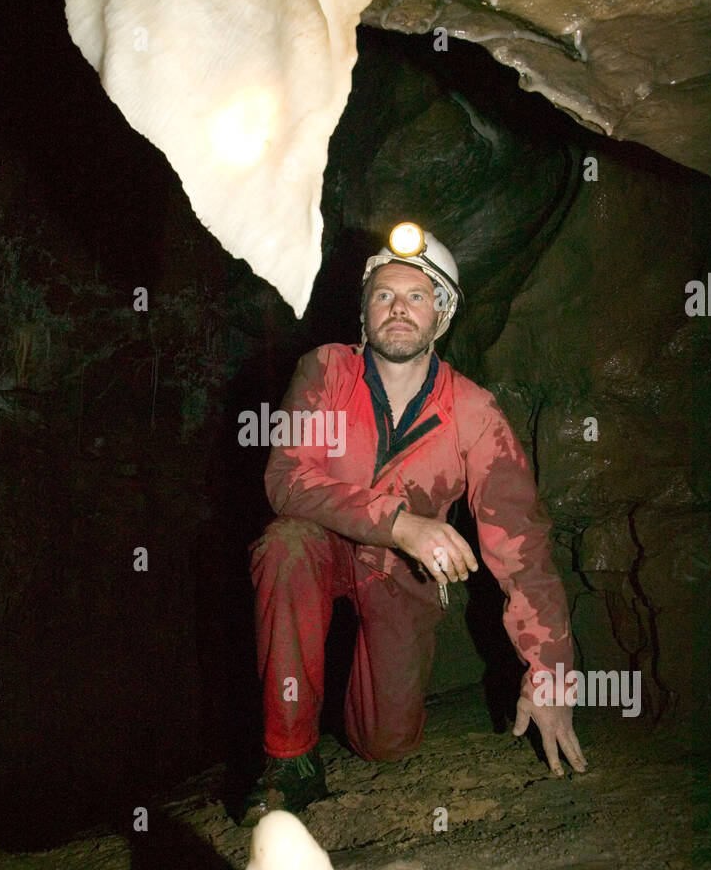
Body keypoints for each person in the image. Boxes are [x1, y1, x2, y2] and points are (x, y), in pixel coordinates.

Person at [241, 223, 587, 827]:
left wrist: (550, 671)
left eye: (418, 295)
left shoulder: (475, 412)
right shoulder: (324, 370)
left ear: (443, 316)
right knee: (285, 544)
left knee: (387, 746)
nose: (399, 308)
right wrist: (401, 523)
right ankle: (290, 757)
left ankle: (367, 717)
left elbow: (521, 546)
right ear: (364, 312)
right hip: (323, 548)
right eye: (384, 294)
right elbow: (288, 479)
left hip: (399, 578)